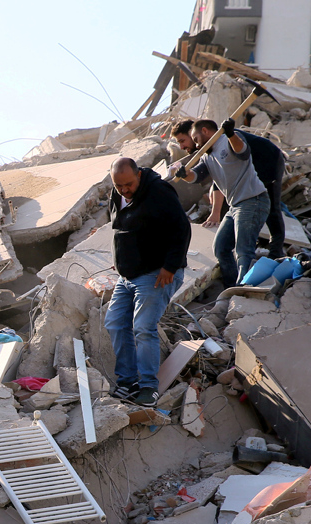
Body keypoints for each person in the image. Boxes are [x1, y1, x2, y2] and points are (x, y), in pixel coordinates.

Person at [104, 157, 191, 406]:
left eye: (128, 184)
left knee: (143, 327)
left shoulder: (158, 192)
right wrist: (121, 259)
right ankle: (127, 382)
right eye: (118, 186)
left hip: (156, 272)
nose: (124, 190)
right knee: (115, 323)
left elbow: (181, 228)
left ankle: (148, 387)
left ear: (139, 175)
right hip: (128, 275)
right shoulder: (118, 191)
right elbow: (122, 229)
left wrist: (170, 266)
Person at [174, 118, 271, 287]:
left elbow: (243, 152)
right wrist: (184, 174)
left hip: (252, 200)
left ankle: (244, 290)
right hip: (235, 206)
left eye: (196, 139)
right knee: (221, 248)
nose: (196, 145)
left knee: (243, 250)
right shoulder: (207, 155)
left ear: (205, 131)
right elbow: (196, 176)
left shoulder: (228, 141)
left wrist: (231, 134)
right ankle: (232, 286)